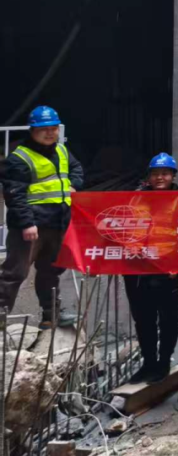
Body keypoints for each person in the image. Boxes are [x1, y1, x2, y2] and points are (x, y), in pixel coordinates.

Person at [0, 106, 83, 328]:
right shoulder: (20, 158)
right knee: (15, 273)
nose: (49, 133)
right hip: (30, 228)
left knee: (51, 271)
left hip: (57, 223)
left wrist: (75, 185)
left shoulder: (62, 151)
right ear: (32, 130)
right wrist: (27, 223)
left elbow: (76, 168)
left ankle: (51, 316)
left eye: (53, 128)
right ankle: (0, 316)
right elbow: (15, 195)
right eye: (44, 129)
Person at [125, 153, 178, 383]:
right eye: (155, 173)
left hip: (168, 270)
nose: (160, 177)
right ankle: (148, 363)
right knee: (143, 319)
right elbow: (124, 227)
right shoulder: (136, 200)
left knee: (168, 319)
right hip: (138, 269)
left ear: (173, 176)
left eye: (165, 173)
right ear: (148, 177)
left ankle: (163, 362)